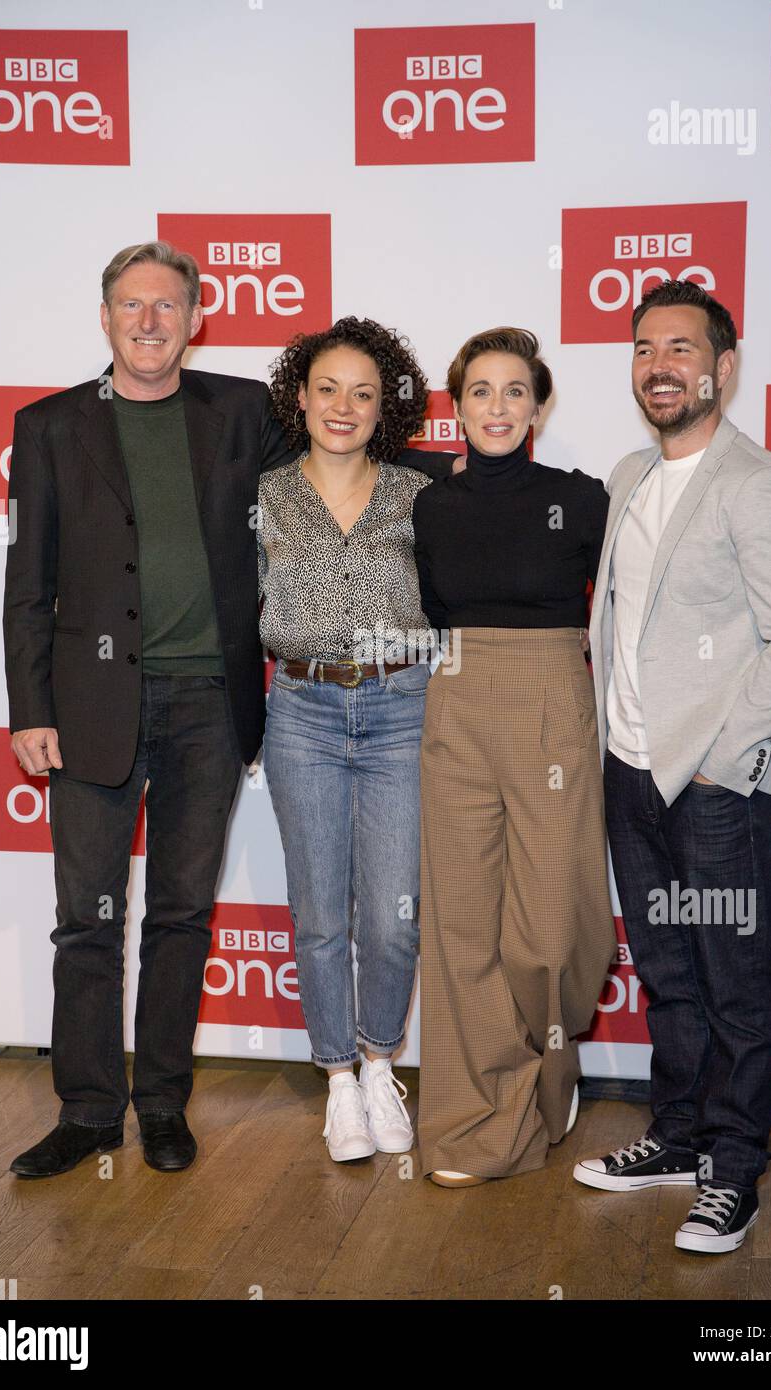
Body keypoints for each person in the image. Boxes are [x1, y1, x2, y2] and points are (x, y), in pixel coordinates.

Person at [2, 244, 452, 1179]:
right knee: (86, 920)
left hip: (212, 703)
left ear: (197, 318)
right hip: (87, 709)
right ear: (104, 316)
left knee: (180, 914)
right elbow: (27, 584)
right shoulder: (46, 427)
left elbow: (352, 451)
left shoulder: (242, 412)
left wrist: (485, 473)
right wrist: (28, 708)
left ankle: (162, 1102)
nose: (149, 322)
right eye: (132, 305)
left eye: (168, 307)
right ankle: (87, 1111)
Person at [573, 280, 771, 1254]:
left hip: (715, 790)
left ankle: (732, 1171)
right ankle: (677, 1137)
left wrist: (727, 761)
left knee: (733, 982)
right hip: (629, 778)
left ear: (722, 365)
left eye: (679, 347)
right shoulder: (629, 473)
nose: (658, 365)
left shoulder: (756, 483)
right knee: (668, 975)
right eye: (643, 348)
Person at [411, 327, 616, 1187]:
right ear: (455, 407)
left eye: (514, 391)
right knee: (460, 923)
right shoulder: (429, 504)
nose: (497, 407)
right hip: (456, 700)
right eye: (479, 391)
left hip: (550, 706)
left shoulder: (586, 498)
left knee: (551, 929)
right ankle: (473, 1122)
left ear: (538, 404)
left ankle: (551, 1063)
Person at [259, 317, 440, 1162]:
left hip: (402, 708)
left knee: (395, 916)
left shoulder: (417, 495)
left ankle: (379, 1065)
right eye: (327, 387)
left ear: (385, 408)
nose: (343, 406)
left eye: (362, 393)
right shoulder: (261, 496)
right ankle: (336, 1079)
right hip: (300, 711)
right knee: (320, 914)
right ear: (300, 396)